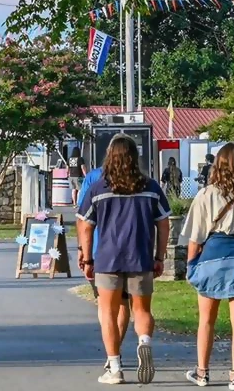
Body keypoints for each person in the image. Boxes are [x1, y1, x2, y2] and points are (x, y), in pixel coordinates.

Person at [76, 133, 170, 385]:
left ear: (110, 157)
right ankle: (144, 342)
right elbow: (163, 224)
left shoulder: (98, 188)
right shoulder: (150, 187)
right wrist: (159, 256)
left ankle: (115, 367)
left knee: (107, 311)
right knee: (141, 309)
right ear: (134, 157)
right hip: (140, 257)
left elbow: (85, 225)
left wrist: (86, 256)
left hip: (108, 259)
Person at [182, 143, 234, 391]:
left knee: (206, 320)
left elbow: (195, 237)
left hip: (212, 258)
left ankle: (202, 373)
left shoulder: (206, 194)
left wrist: (190, 265)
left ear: (217, 165)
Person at [77, 144, 132, 367]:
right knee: (124, 304)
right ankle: (116, 348)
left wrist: (83, 251)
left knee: (105, 304)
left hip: (101, 249)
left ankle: (112, 355)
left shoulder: (93, 178)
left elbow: (83, 217)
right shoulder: (138, 179)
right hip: (132, 250)